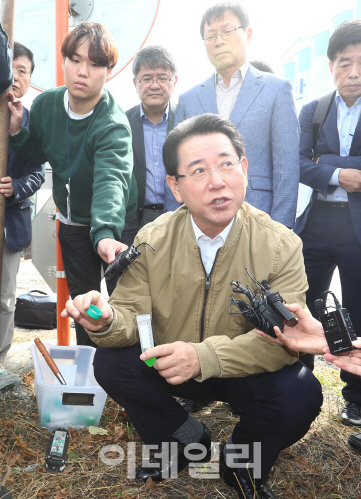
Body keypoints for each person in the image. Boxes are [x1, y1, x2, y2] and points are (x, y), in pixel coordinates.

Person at [62, 114, 322, 499]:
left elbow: (284, 341)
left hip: (241, 367)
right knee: (111, 363)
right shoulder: (153, 238)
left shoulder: (281, 244)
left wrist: (203, 357)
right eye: (198, 170)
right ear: (175, 186)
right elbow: (130, 315)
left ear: (245, 169)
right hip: (171, 361)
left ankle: (240, 463)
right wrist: (104, 320)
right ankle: (183, 439)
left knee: (300, 391)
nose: (217, 182)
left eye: (226, 164)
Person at [8, 22, 137, 347]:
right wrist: (16, 132)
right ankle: (93, 372)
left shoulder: (113, 126)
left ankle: (133, 373)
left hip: (118, 226)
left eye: (95, 64)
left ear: (109, 70)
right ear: (63, 61)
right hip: (72, 221)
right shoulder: (47, 105)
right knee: (85, 303)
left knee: (128, 305)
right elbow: (39, 151)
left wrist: (106, 233)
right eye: (75, 59)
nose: (83, 71)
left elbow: (112, 181)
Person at [174, 1, 299, 229]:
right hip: (200, 221)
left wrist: (281, 230)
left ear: (248, 34)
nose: (219, 41)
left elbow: (286, 168)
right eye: (210, 36)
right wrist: (173, 228)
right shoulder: (188, 99)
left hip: (260, 217)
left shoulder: (277, 89)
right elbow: (177, 169)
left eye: (227, 31)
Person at [294, 19, 361, 427]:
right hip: (316, 223)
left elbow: (314, 162)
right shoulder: (313, 110)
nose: (353, 73)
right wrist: (342, 174)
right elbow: (300, 163)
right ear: (331, 65)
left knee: (359, 310)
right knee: (303, 302)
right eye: (344, 63)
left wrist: (327, 163)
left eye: (360, 64)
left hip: (357, 229)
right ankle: (298, 383)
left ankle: (355, 396)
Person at [0, 42, 45, 363]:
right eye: (10, 68)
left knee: (4, 299)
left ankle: (0, 363)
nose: (15, 77)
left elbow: (37, 174)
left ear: (29, 79)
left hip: (10, 223)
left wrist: (15, 187)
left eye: (23, 71)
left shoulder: (30, 123)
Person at [122, 46, 180, 245]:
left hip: (180, 218)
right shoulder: (120, 123)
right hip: (133, 221)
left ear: (174, 81)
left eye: (162, 78)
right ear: (135, 83)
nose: (155, 85)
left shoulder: (187, 120)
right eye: (147, 79)